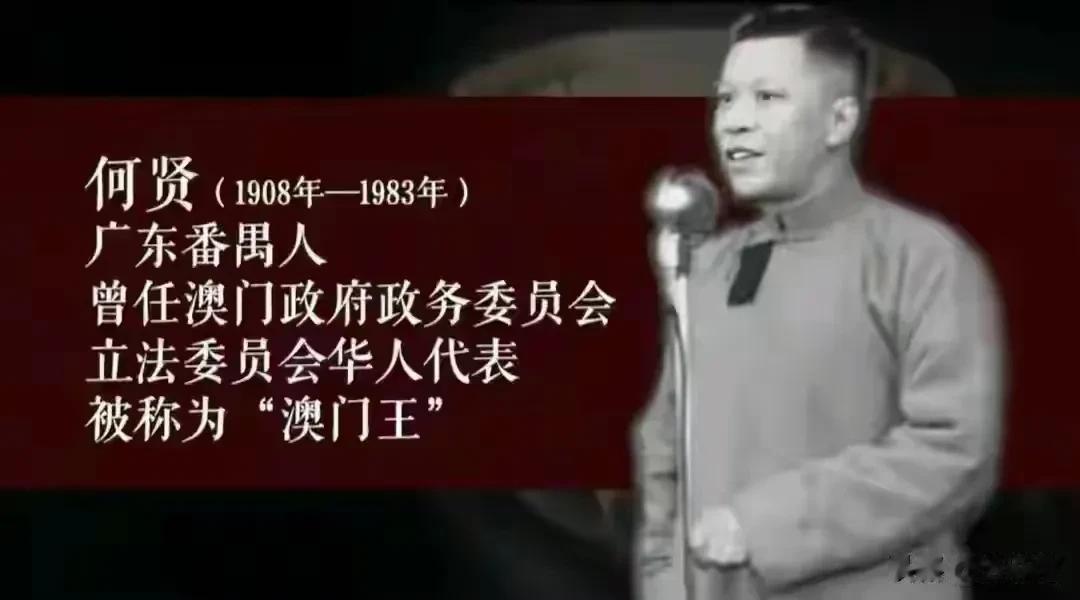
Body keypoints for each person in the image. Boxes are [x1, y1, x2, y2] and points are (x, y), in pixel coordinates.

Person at [633, 5, 1007, 600]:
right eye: (726, 99)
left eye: (767, 98)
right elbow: (666, 436)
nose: (734, 123)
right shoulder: (712, 266)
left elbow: (954, 449)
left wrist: (763, 526)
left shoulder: (922, 258)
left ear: (839, 120)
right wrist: (661, 570)